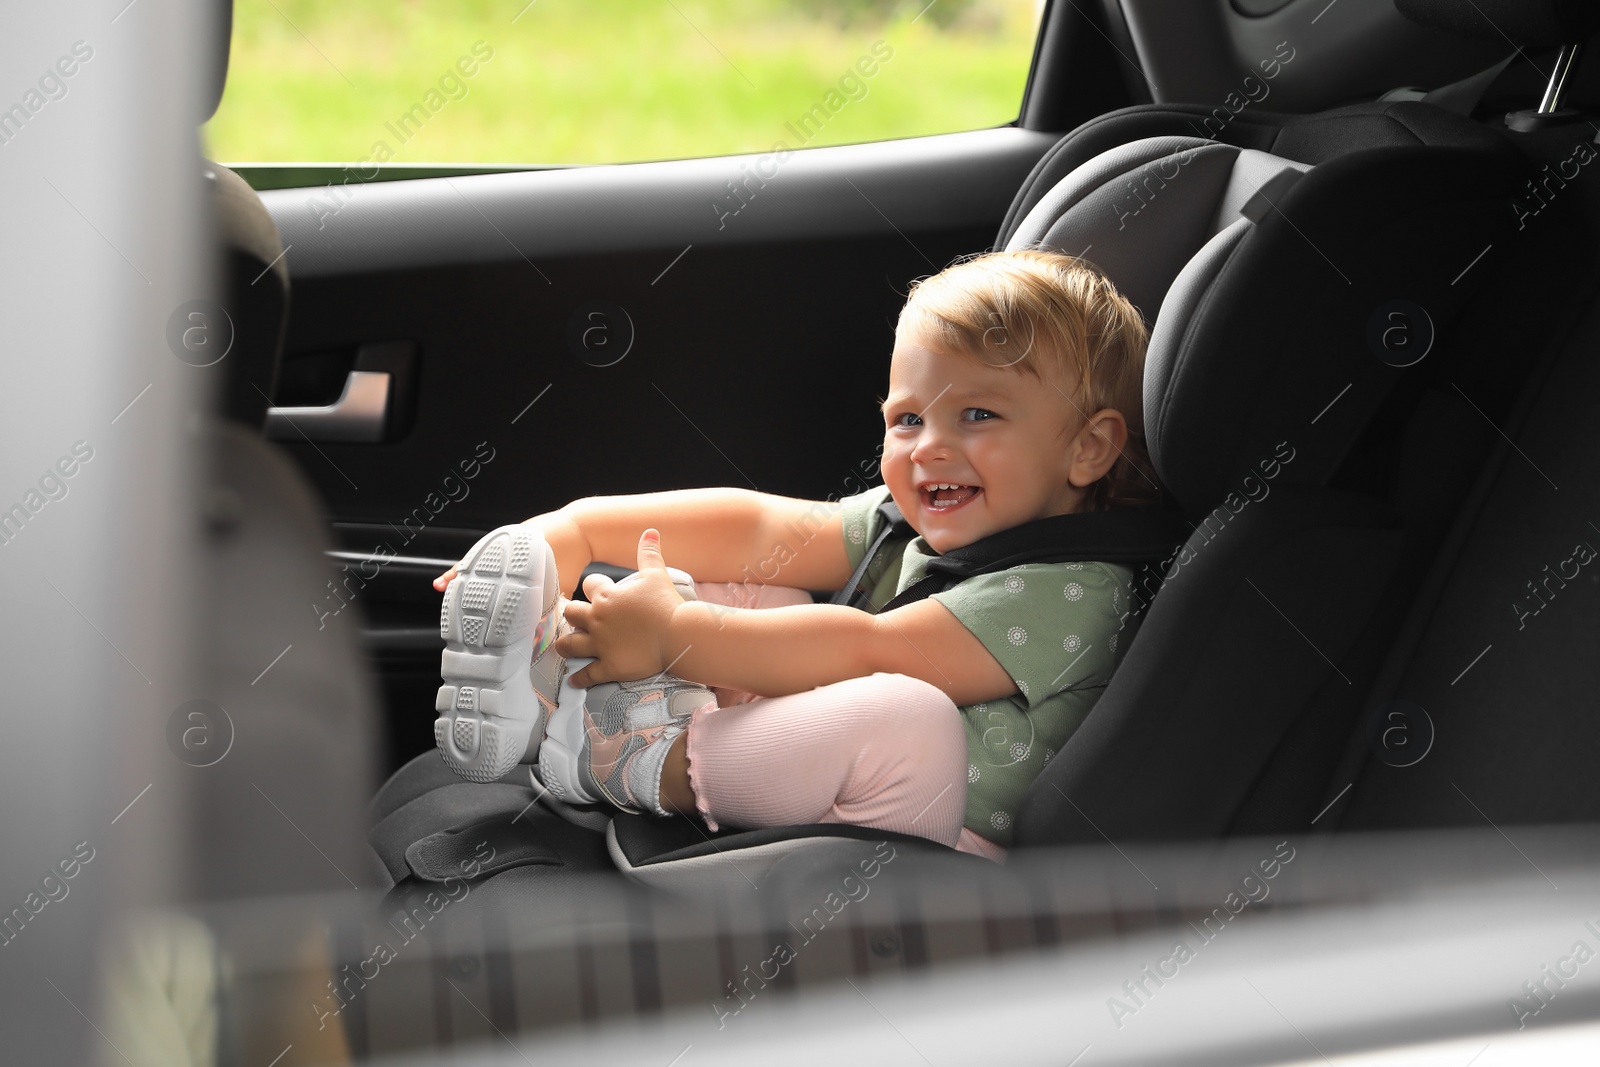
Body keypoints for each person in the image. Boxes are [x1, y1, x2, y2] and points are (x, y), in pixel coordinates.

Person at [431, 248, 1158, 861]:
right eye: (908, 418)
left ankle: (643, 761)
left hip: (926, 856)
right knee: (764, 586)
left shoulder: (1079, 589)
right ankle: (552, 683)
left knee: (910, 716)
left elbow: (873, 653)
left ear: (1088, 448)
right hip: (807, 775)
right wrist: (578, 529)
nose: (928, 445)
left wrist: (676, 634)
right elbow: (758, 531)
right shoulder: (922, 516)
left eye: (978, 414)